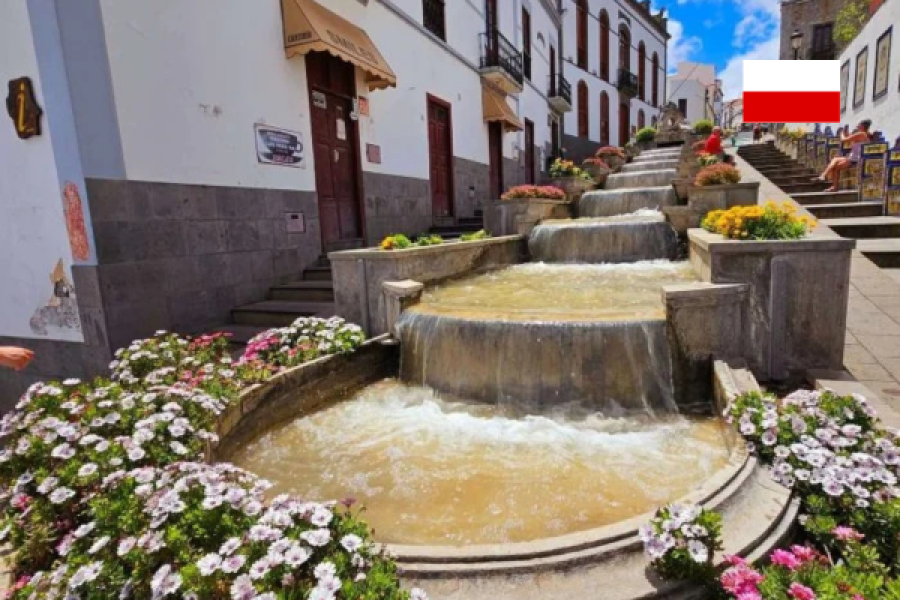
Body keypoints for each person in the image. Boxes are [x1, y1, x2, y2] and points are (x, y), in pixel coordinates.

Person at [816, 119, 873, 192]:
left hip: (854, 159)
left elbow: (844, 140)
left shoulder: (861, 134)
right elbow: (851, 138)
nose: (857, 125)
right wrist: (846, 132)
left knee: (835, 166)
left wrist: (841, 133)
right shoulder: (866, 134)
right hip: (853, 157)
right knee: (835, 160)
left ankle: (830, 182)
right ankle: (824, 176)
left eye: (859, 124)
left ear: (862, 126)